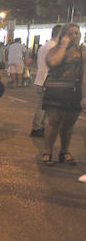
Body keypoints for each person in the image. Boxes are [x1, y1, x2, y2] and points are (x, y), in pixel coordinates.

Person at [41, 23, 84, 166]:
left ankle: (64, 151)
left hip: (73, 91)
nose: (74, 36)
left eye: (76, 33)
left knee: (69, 124)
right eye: (70, 33)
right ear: (63, 35)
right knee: (53, 122)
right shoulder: (55, 49)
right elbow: (53, 62)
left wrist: (84, 96)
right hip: (55, 90)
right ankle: (48, 152)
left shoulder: (82, 51)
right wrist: (64, 46)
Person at [31, 25, 62, 137]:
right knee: (43, 106)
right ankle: (37, 127)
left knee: (43, 106)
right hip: (46, 81)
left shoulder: (44, 46)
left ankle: (39, 127)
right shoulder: (54, 47)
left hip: (41, 79)